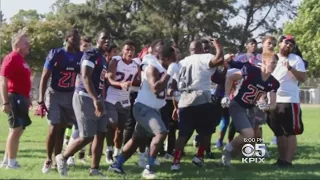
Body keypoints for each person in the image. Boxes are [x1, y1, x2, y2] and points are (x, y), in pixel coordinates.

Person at [109, 44, 176, 179]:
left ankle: (117, 164)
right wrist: (169, 73)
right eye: (174, 56)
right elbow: (155, 88)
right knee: (161, 132)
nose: (177, 59)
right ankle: (148, 168)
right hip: (143, 107)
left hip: (154, 109)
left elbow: (168, 88)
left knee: (136, 140)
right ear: (166, 58)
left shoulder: (167, 68)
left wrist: (175, 91)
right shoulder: (152, 67)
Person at [55, 30, 109, 177]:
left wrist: (100, 99)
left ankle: (94, 169)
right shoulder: (91, 54)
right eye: (104, 38)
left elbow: (101, 82)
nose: (107, 41)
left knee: (101, 133)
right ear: (97, 40)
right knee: (87, 136)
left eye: (109, 39)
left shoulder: (103, 58)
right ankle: (63, 157)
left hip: (97, 98)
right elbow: (85, 77)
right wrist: (95, 99)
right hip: (85, 97)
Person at [171, 39, 224, 171]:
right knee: (206, 131)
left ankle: (176, 161)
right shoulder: (205, 57)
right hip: (201, 97)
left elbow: (173, 84)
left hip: (184, 99)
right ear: (201, 49)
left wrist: (176, 106)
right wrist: (218, 47)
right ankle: (199, 156)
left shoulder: (182, 62)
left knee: (183, 134)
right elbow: (219, 60)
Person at [221, 52, 280, 167]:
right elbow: (230, 77)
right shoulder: (252, 71)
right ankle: (226, 150)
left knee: (249, 137)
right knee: (248, 134)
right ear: (264, 62)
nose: (274, 66)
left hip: (251, 109)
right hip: (238, 105)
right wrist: (226, 96)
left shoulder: (273, 82)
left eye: (276, 63)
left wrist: (266, 106)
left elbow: (273, 105)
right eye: (272, 63)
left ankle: (227, 157)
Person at [36, 29, 82, 174]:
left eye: (78, 38)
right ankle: (48, 159)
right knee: (54, 127)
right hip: (55, 93)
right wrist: (40, 100)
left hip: (70, 94)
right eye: (74, 38)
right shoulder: (56, 54)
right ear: (67, 38)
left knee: (62, 128)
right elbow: (45, 76)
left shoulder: (80, 56)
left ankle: (58, 159)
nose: (77, 40)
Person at [267, 35, 307, 167]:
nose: (289, 45)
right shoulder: (272, 58)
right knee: (278, 132)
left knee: (290, 132)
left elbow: (303, 78)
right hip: (273, 100)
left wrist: (290, 68)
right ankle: (281, 160)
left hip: (290, 101)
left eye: (291, 44)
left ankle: (288, 161)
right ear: (279, 43)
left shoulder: (296, 59)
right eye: (286, 42)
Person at [105, 40, 140, 164]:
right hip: (112, 97)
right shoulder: (116, 61)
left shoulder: (136, 64)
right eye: (127, 49)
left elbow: (138, 80)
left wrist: (133, 83)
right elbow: (109, 79)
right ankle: (108, 150)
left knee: (121, 128)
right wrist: (120, 84)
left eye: (132, 50)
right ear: (122, 51)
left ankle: (116, 152)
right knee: (112, 123)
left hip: (125, 98)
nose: (130, 52)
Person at [0, 30, 32, 169]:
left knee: (16, 130)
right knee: (16, 129)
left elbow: (22, 80)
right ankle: (12, 163)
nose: (28, 45)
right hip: (14, 97)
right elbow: (3, 80)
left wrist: (28, 97)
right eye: (26, 43)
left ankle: (7, 161)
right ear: (17, 44)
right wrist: (5, 102)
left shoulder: (20, 59)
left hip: (21, 97)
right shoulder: (12, 57)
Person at [65, 35, 93, 166]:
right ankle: (69, 155)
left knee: (85, 130)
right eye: (84, 46)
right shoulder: (80, 59)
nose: (86, 48)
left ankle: (78, 155)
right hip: (80, 97)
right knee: (77, 128)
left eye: (89, 46)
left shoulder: (90, 59)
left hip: (89, 98)